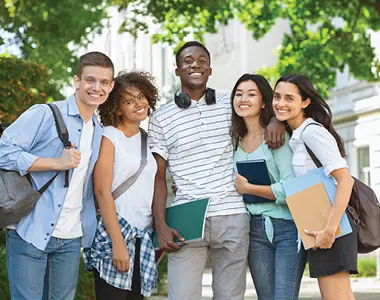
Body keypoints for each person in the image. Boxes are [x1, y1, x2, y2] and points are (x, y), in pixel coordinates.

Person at [148, 41, 285, 300]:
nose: (195, 65)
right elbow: (157, 176)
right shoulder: (161, 118)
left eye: (201, 60)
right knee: (181, 296)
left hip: (232, 213)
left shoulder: (230, 105)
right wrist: (160, 224)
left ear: (210, 70)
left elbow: (262, 111)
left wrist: (277, 120)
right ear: (177, 71)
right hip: (186, 218)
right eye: (187, 61)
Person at [0, 51, 115, 300]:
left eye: (104, 82)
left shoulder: (100, 131)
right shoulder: (45, 113)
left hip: (71, 237)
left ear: (111, 86)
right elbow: (3, 153)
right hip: (30, 230)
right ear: (76, 81)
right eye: (90, 80)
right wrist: (55, 162)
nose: (96, 87)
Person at [272, 74, 357, 299]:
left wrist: (329, 231)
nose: (281, 103)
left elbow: (345, 180)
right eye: (277, 97)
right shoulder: (297, 135)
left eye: (289, 98)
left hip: (330, 229)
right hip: (320, 228)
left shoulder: (312, 132)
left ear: (305, 102)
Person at [83, 71, 160, 300]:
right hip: (115, 234)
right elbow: (101, 191)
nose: (139, 104)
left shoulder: (148, 139)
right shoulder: (110, 136)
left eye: (141, 97)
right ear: (116, 109)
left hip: (143, 236)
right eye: (129, 101)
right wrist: (118, 243)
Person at [231, 74, 306, 300]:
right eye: (238, 94)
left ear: (264, 102)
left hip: (287, 229)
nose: (243, 99)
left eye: (251, 94)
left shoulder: (276, 137)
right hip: (254, 231)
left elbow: (291, 188)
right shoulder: (234, 140)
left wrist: (250, 188)